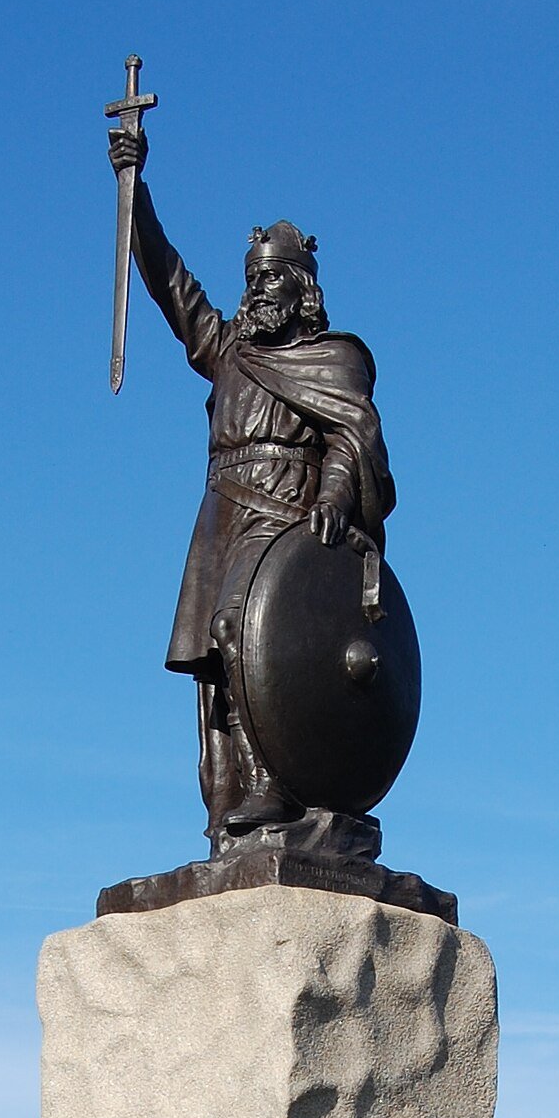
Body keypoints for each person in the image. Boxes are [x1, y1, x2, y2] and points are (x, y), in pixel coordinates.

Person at [108, 126, 395, 844]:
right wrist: (134, 193)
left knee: (253, 636)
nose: (254, 291)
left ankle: (274, 783)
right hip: (221, 520)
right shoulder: (229, 348)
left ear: (300, 287)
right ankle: (228, 809)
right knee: (215, 672)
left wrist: (333, 497)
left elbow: (349, 438)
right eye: (250, 279)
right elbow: (172, 285)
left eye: (268, 279)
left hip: (283, 519)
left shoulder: (331, 360)